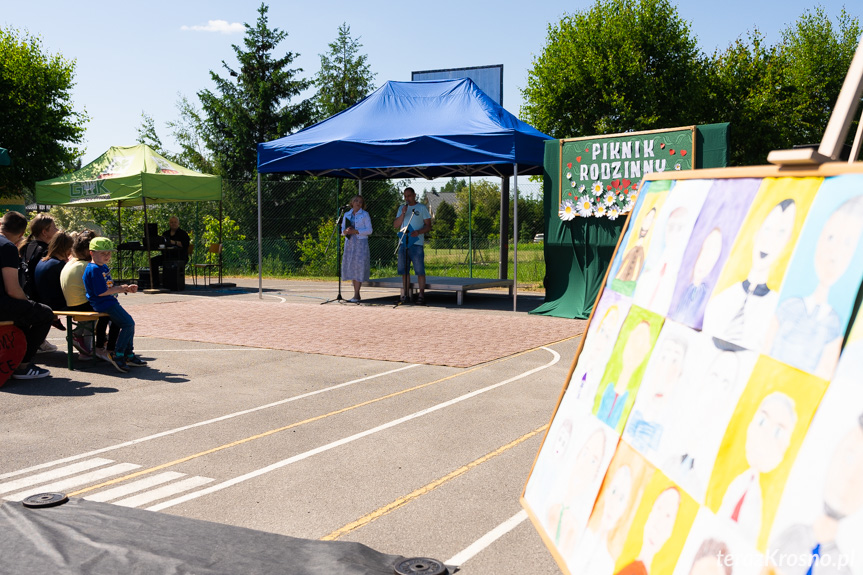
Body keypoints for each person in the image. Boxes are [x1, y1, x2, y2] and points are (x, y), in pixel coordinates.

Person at [0, 211, 54, 379]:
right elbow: (12, 289)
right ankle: (23, 366)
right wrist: (29, 303)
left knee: (24, 315)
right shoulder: (7, 247)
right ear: (21, 234)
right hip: (2, 304)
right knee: (45, 313)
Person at [83, 237, 147, 373]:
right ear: (92, 253)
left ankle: (128, 355)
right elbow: (101, 292)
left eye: (109, 253)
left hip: (109, 301)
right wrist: (121, 288)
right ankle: (119, 355)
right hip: (103, 304)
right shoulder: (94, 269)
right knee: (128, 324)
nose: (107, 256)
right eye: (103, 253)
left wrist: (126, 288)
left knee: (128, 323)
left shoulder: (102, 267)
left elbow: (109, 287)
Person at [60, 230, 118, 362]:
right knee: (112, 312)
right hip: (82, 304)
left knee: (104, 308)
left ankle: (88, 345)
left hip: (71, 303)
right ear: (89, 251)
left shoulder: (71, 263)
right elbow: (103, 288)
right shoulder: (88, 266)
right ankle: (103, 347)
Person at [19, 213, 60, 351]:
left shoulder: (27, 246)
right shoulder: (44, 251)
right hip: (37, 296)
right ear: (45, 232)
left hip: (25, 292)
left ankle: (39, 340)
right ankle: (39, 340)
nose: (57, 230)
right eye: (54, 227)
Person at [393, 187, 432, 305]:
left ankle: (421, 295)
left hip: (416, 243)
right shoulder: (401, 208)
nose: (407, 198)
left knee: (419, 270)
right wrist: (403, 213)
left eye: (409, 196)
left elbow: (428, 226)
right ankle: (405, 295)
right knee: (404, 270)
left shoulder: (421, 208)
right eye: (405, 196)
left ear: (414, 195)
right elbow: (395, 225)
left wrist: (419, 232)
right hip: (404, 242)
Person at [341, 195, 373, 303]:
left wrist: (356, 231)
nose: (358, 203)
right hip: (350, 243)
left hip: (360, 243)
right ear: (352, 203)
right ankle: (356, 294)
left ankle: (356, 294)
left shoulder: (365, 214)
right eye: (356, 201)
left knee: (358, 267)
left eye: (360, 202)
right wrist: (346, 231)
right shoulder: (347, 214)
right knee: (352, 267)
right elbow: (342, 232)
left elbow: (369, 230)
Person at [34, 231, 74, 312]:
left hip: (43, 303)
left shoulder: (41, 261)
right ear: (68, 249)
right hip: (57, 305)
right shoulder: (59, 265)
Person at [150, 216, 191, 289]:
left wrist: (174, 242)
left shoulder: (183, 233)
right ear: (169, 224)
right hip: (167, 256)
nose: (173, 224)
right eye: (171, 222)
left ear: (178, 223)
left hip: (180, 257)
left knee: (172, 263)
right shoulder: (165, 233)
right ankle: (155, 283)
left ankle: (174, 284)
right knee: (153, 261)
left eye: (175, 222)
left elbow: (185, 244)